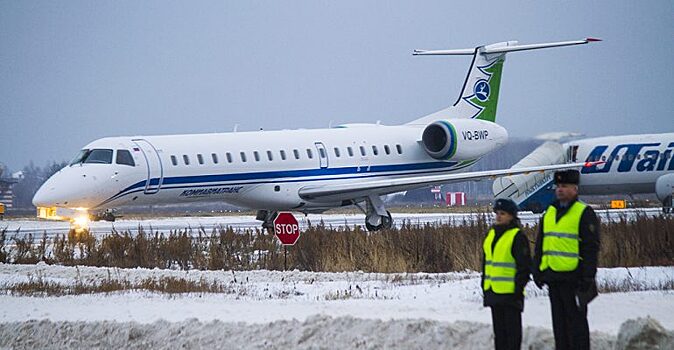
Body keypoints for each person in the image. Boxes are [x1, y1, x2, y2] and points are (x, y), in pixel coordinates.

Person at [533, 169, 600, 350]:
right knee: (560, 328)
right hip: (554, 279)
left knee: (577, 327)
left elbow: (590, 247)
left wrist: (588, 276)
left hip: (574, 279)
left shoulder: (583, 213)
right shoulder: (549, 213)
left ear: (575, 189)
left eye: (564, 186)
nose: (560, 190)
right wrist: (537, 270)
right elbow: (541, 244)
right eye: (558, 186)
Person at [482, 198, 531, 350]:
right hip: (494, 292)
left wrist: (517, 289)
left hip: (510, 294)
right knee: (500, 336)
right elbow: (486, 262)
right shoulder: (491, 234)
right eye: (497, 213)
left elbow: (524, 266)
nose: (498, 216)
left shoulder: (517, 236)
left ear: (512, 216)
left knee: (512, 336)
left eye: (502, 213)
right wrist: (484, 284)